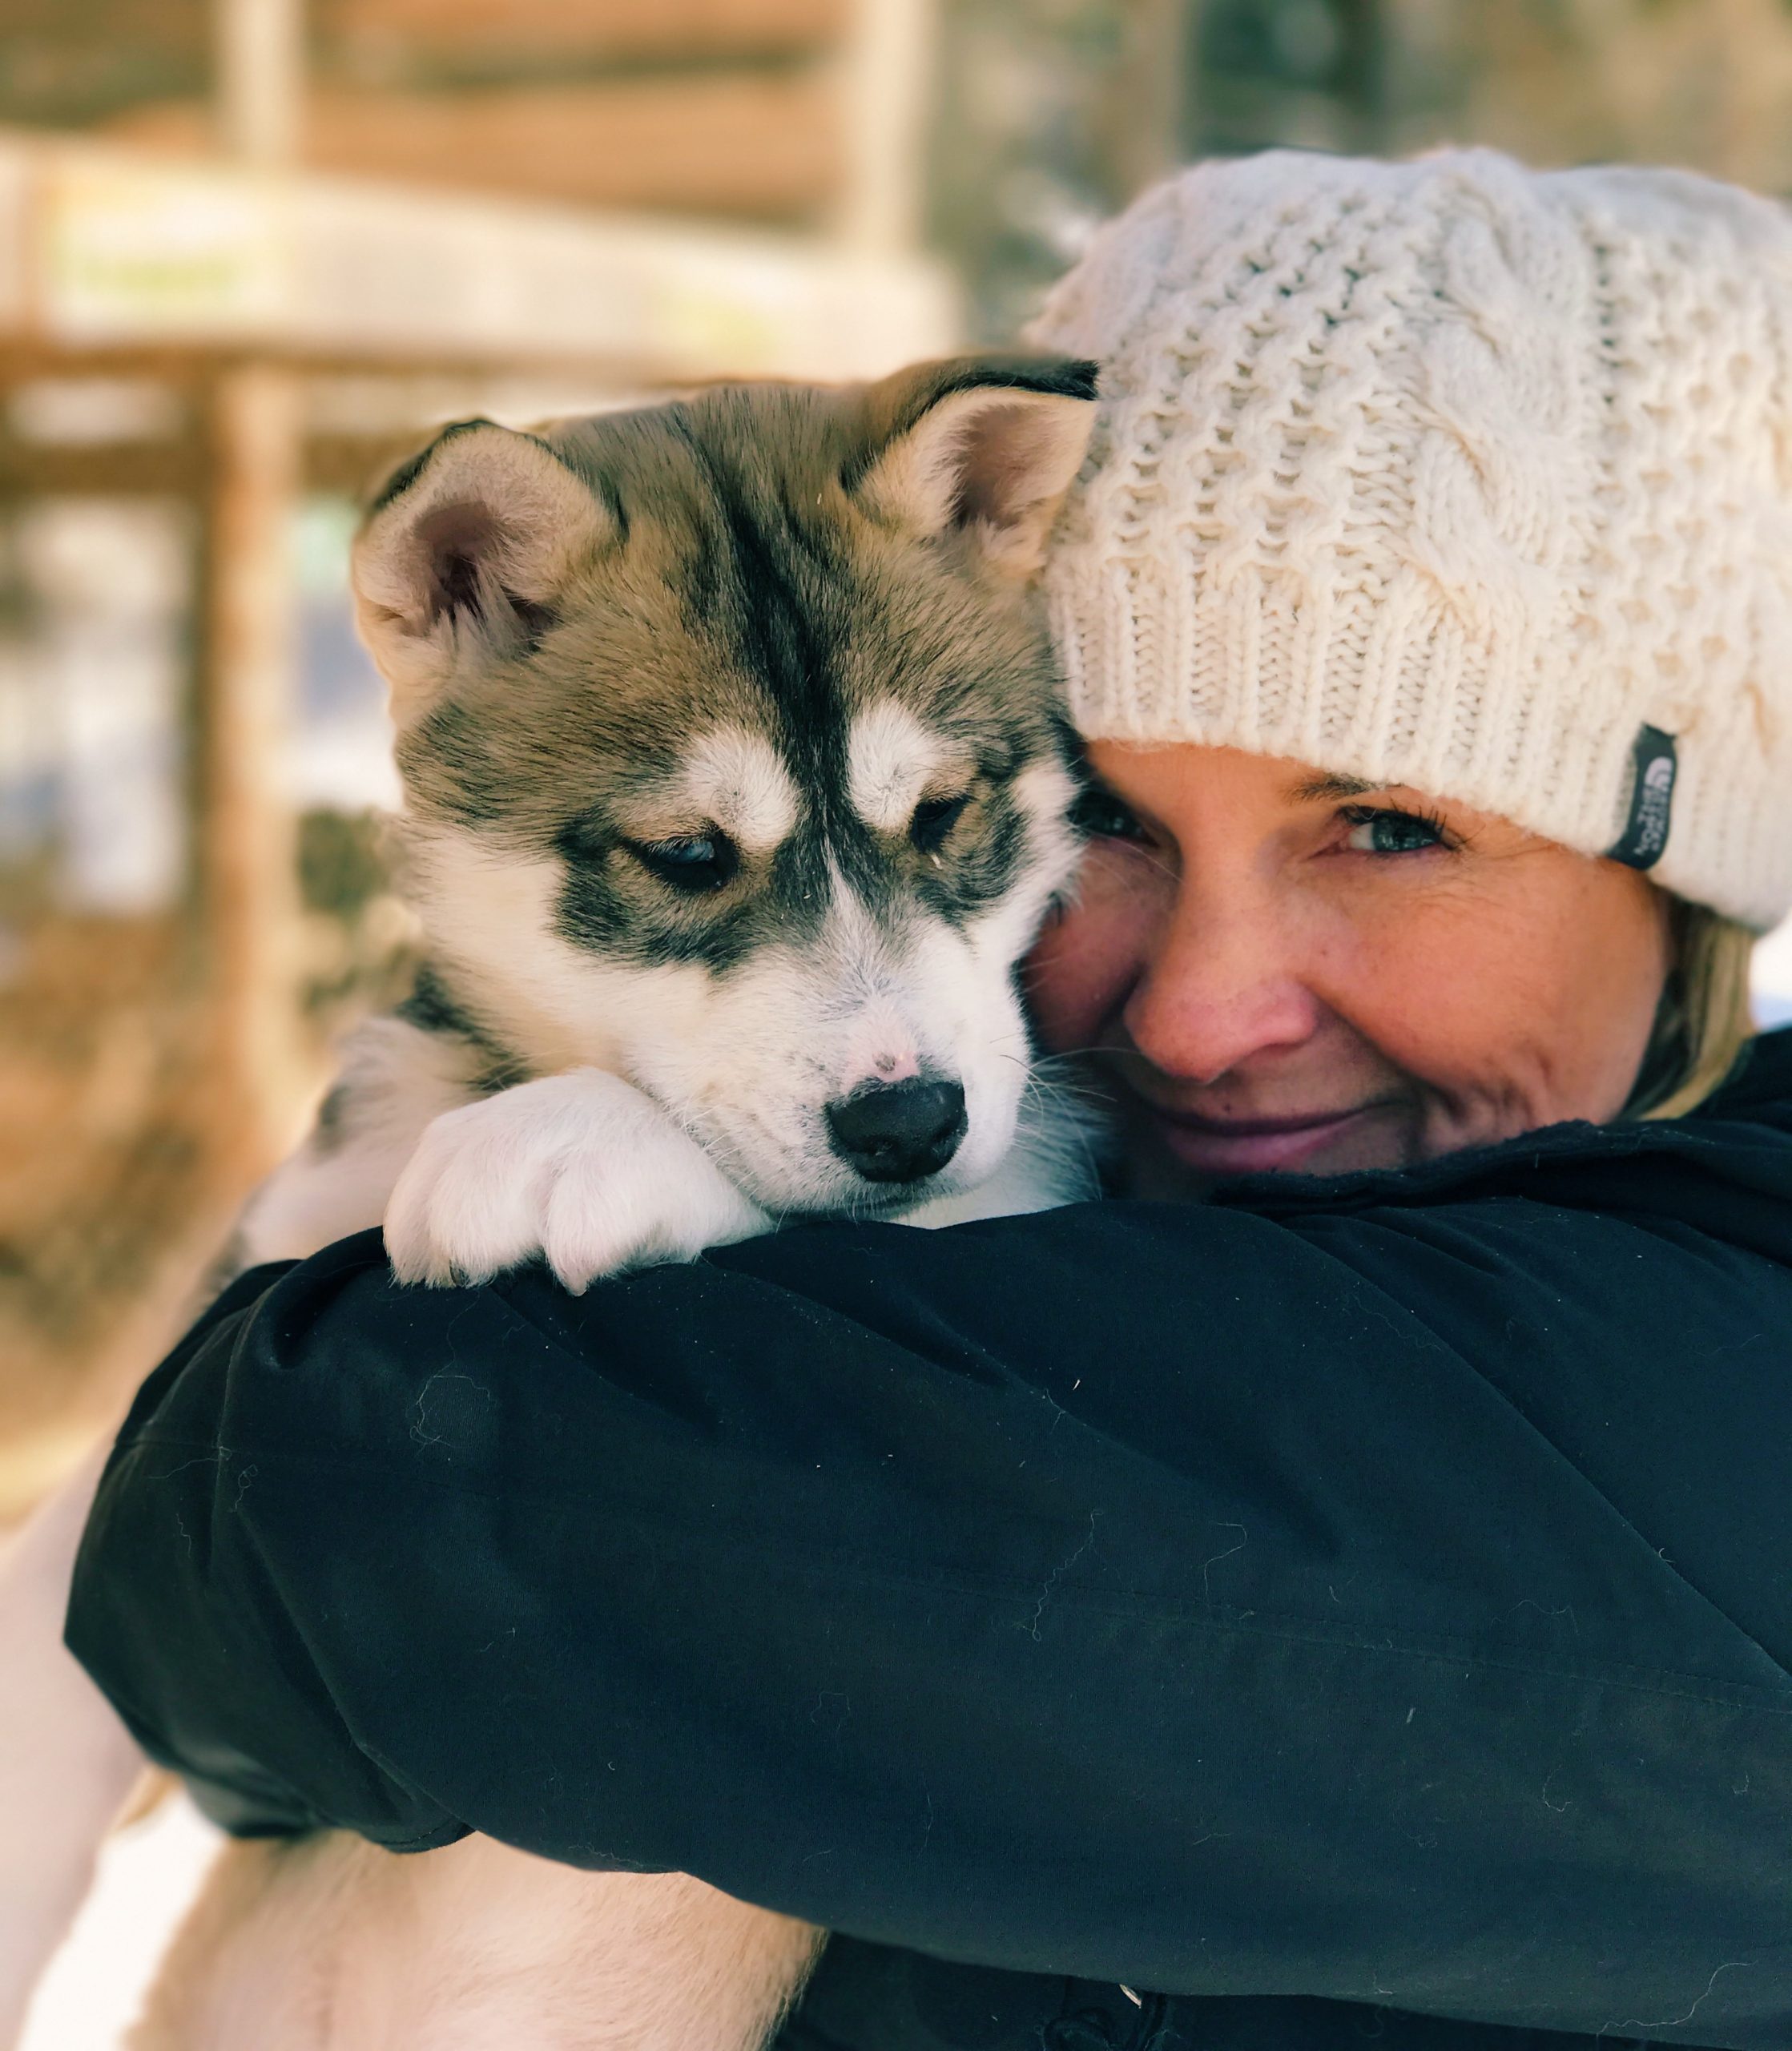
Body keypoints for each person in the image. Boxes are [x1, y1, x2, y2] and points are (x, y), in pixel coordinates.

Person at [66, 150, 1792, 2051]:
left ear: (1689, 876)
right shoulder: (1081, 1172)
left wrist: (248, 1446)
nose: (1204, 1015)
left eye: (1394, 828)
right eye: (1111, 824)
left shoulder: (1727, 1362)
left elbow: (451, 1500)